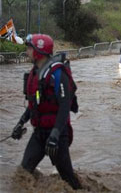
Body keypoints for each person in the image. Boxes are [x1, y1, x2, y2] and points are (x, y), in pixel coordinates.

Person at [11, 34, 81, 190]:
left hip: (56, 136)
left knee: (68, 179)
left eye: (30, 48)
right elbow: (33, 105)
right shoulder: (35, 73)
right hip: (39, 134)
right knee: (24, 172)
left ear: (38, 52)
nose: (27, 52)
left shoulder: (58, 74)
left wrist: (55, 134)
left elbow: (64, 107)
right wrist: (20, 123)